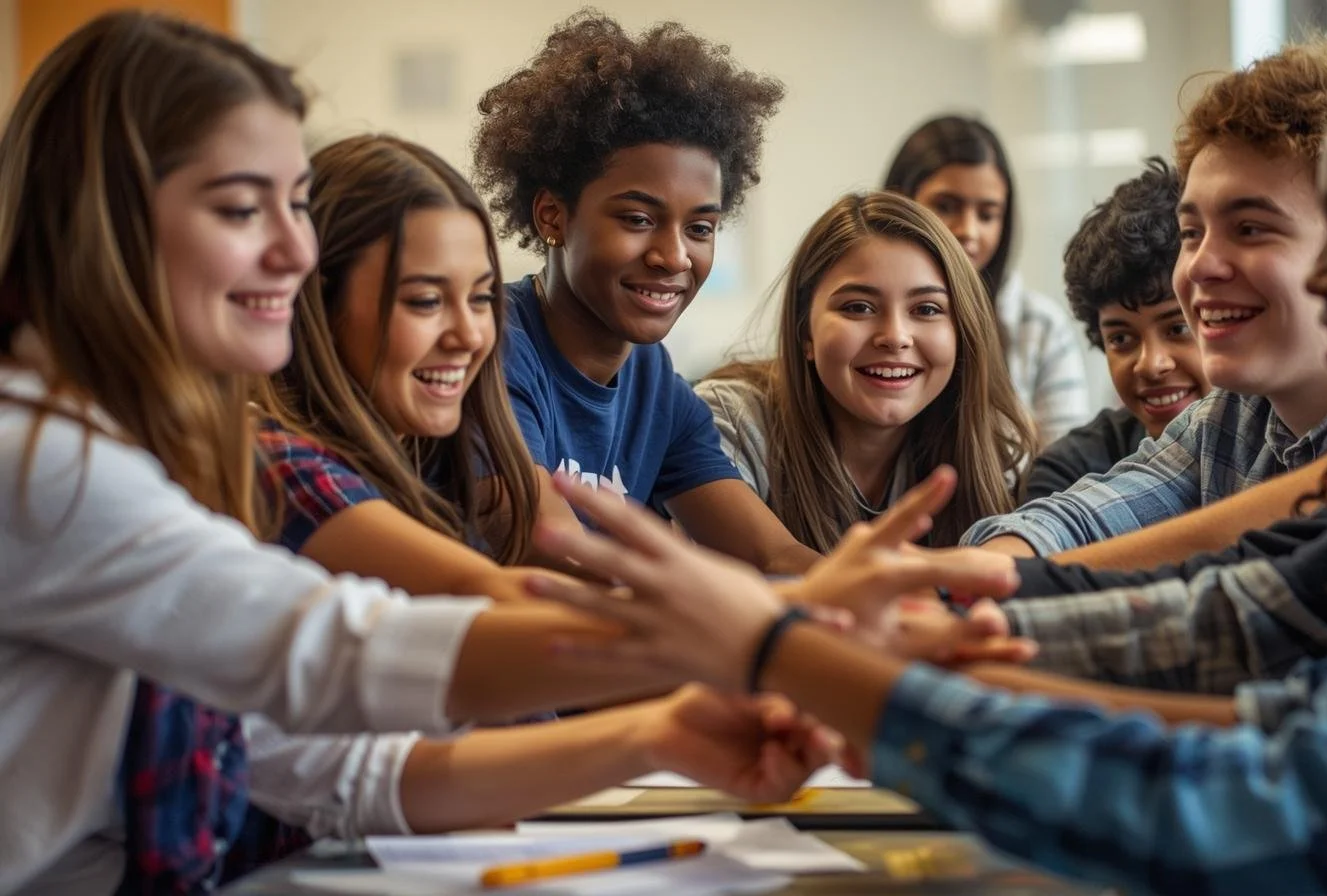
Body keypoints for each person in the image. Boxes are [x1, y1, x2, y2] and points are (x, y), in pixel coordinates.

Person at [521, 0, 1327, 888]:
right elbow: (1228, 616)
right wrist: (891, 638)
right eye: (1190, 230)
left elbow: (1293, 795)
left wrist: (802, 652)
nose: (1320, 280)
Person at [0, 14, 847, 894]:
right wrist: (777, 644)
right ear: (100, 220)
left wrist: (659, 734)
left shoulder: (149, 454)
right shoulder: (42, 465)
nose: (294, 251)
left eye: (297, 204)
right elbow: (353, 649)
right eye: (243, 207)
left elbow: (340, 771)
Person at [237, 133, 841, 853]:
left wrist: (669, 727)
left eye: (482, 299)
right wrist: (800, 634)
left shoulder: (425, 451)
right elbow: (507, 595)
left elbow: (407, 765)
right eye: (426, 300)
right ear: (313, 304)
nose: (469, 334)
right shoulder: (282, 469)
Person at [967, 43, 1327, 560]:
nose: (1199, 265)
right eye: (1191, 232)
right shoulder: (1230, 419)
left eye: (1250, 229)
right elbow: (1081, 516)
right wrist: (970, 569)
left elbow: (1236, 610)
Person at [472, 12, 819, 574]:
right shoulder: (493, 347)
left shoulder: (656, 384)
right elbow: (553, 543)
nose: (675, 256)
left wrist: (887, 596)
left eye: (700, 228)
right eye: (638, 218)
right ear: (552, 216)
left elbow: (771, 552)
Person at [695, 192, 1034, 551]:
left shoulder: (998, 447)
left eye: (927, 309)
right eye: (858, 307)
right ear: (804, 331)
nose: (895, 337)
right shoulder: (729, 421)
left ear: (962, 331)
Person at [884, 115, 1094, 443]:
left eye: (987, 214)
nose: (968, 231)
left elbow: (1068, 469)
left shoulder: (1039, 325)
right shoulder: (872, 324)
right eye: (946, 206)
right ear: (899, 202)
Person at [1024, 157, 1209, 501]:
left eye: (1177, 328)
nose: (1152, 365)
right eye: (1121, 338)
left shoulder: (1284, 448)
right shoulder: (1072, 469)